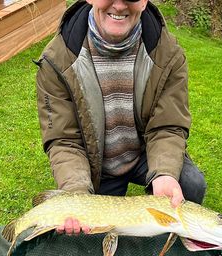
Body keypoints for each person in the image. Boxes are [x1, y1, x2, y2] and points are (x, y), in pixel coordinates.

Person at [35, 0, 206, 235]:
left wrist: (165, 172)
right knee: (92, 239)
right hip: (99, 165)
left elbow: (167, 126)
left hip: (143, 154)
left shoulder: (169, 55)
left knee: (190, 184)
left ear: (144, 2)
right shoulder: (56, 61)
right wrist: (76, 193)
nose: (119, 5)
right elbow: (64, 140)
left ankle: (164, 243)